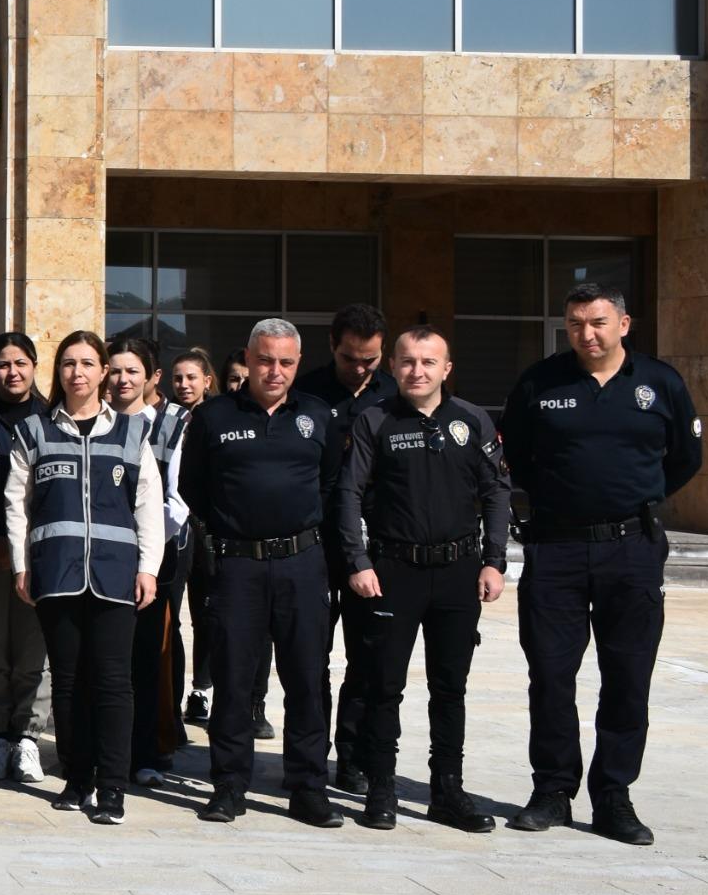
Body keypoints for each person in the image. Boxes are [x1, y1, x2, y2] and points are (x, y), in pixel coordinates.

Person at [501, 282, 702, 846]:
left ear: (623, 324)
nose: (585, 334)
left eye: (596, 322)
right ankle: (552, 791)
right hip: (556, 549)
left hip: (631, 550)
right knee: (550, 675)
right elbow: (515, 455)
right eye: (574, 324)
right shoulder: (541, 382)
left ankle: (613, 795)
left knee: (627, 676)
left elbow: (687, 457)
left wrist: (635, 497)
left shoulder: (660, 383)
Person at [334, 327, 509, 834]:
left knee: (450, 688)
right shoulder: (375, 420)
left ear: (446, 369)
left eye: (429, 362)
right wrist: (357, 561)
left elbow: (497, 492)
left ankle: (447, 792)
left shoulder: (471, 420)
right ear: (393, 365)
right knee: (383, 686)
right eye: (408, 361)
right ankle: (381, 789)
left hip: (458, 573)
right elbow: (348, 494)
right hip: (393, 572)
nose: (418, 371)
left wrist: (493, 560)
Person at [174, 319, 344, 828]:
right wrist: (230, 533)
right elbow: (192, 486)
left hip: (302, 564)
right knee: (233, 678)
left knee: (307, 678)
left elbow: (331, 484)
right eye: (265, 360)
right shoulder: (212, 417)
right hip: (238, 565)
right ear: (247, 358)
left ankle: (308, 786)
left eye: (286, 362)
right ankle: (228, 784)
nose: (275, 371)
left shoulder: (317, 414)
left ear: (298, 361)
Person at [6, 332, 164, 823]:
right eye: (69, 363)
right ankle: (77, 780)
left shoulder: (133, 432)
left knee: (114, 683)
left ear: (103, 373)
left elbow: (148, 508)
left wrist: (148, 569)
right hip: (56, 574)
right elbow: (17, 505)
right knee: (69, 683)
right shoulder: (33, 431)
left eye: (89, 364)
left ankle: (112, 789)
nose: (78, 372)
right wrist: (20, 564)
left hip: (117, 577)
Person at [297, 303, 397, 796]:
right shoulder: (307, 392)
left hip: (373, 546)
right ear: (333, 346)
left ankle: (353, 756)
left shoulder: (395, 394)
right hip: (315, 540)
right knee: (311, 654)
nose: (360, 369)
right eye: (350, 358)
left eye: (370, 361)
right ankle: (311, 753)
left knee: (368, 656)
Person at [0, 331, 51, 785]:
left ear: (34, 366)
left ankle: (28, 739)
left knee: (33, 654)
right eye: (3, 364)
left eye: (21, 363)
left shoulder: (50, 418)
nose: (12, 372)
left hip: (37, 556)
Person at [107, 339, 184, 785]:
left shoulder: (171, 426)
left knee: (145, 659)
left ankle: (145, 752)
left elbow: (178, 501)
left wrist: (145, 553)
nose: (122, 380)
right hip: (99, 561)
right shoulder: (91, 422)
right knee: (102, 661)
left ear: (152, 378)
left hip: (152, 561)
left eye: (132, 371)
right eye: (114, 370)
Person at [167, 348, 222, 728]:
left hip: (209, 527)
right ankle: (168, 695)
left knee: (206, 613)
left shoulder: (221, 417)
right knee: (172, 616)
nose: (184, 385)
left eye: (191, 378)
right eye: (177, 378)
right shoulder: (166, 418)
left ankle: (201, 690)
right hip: (174, 528)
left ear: (207, 380)